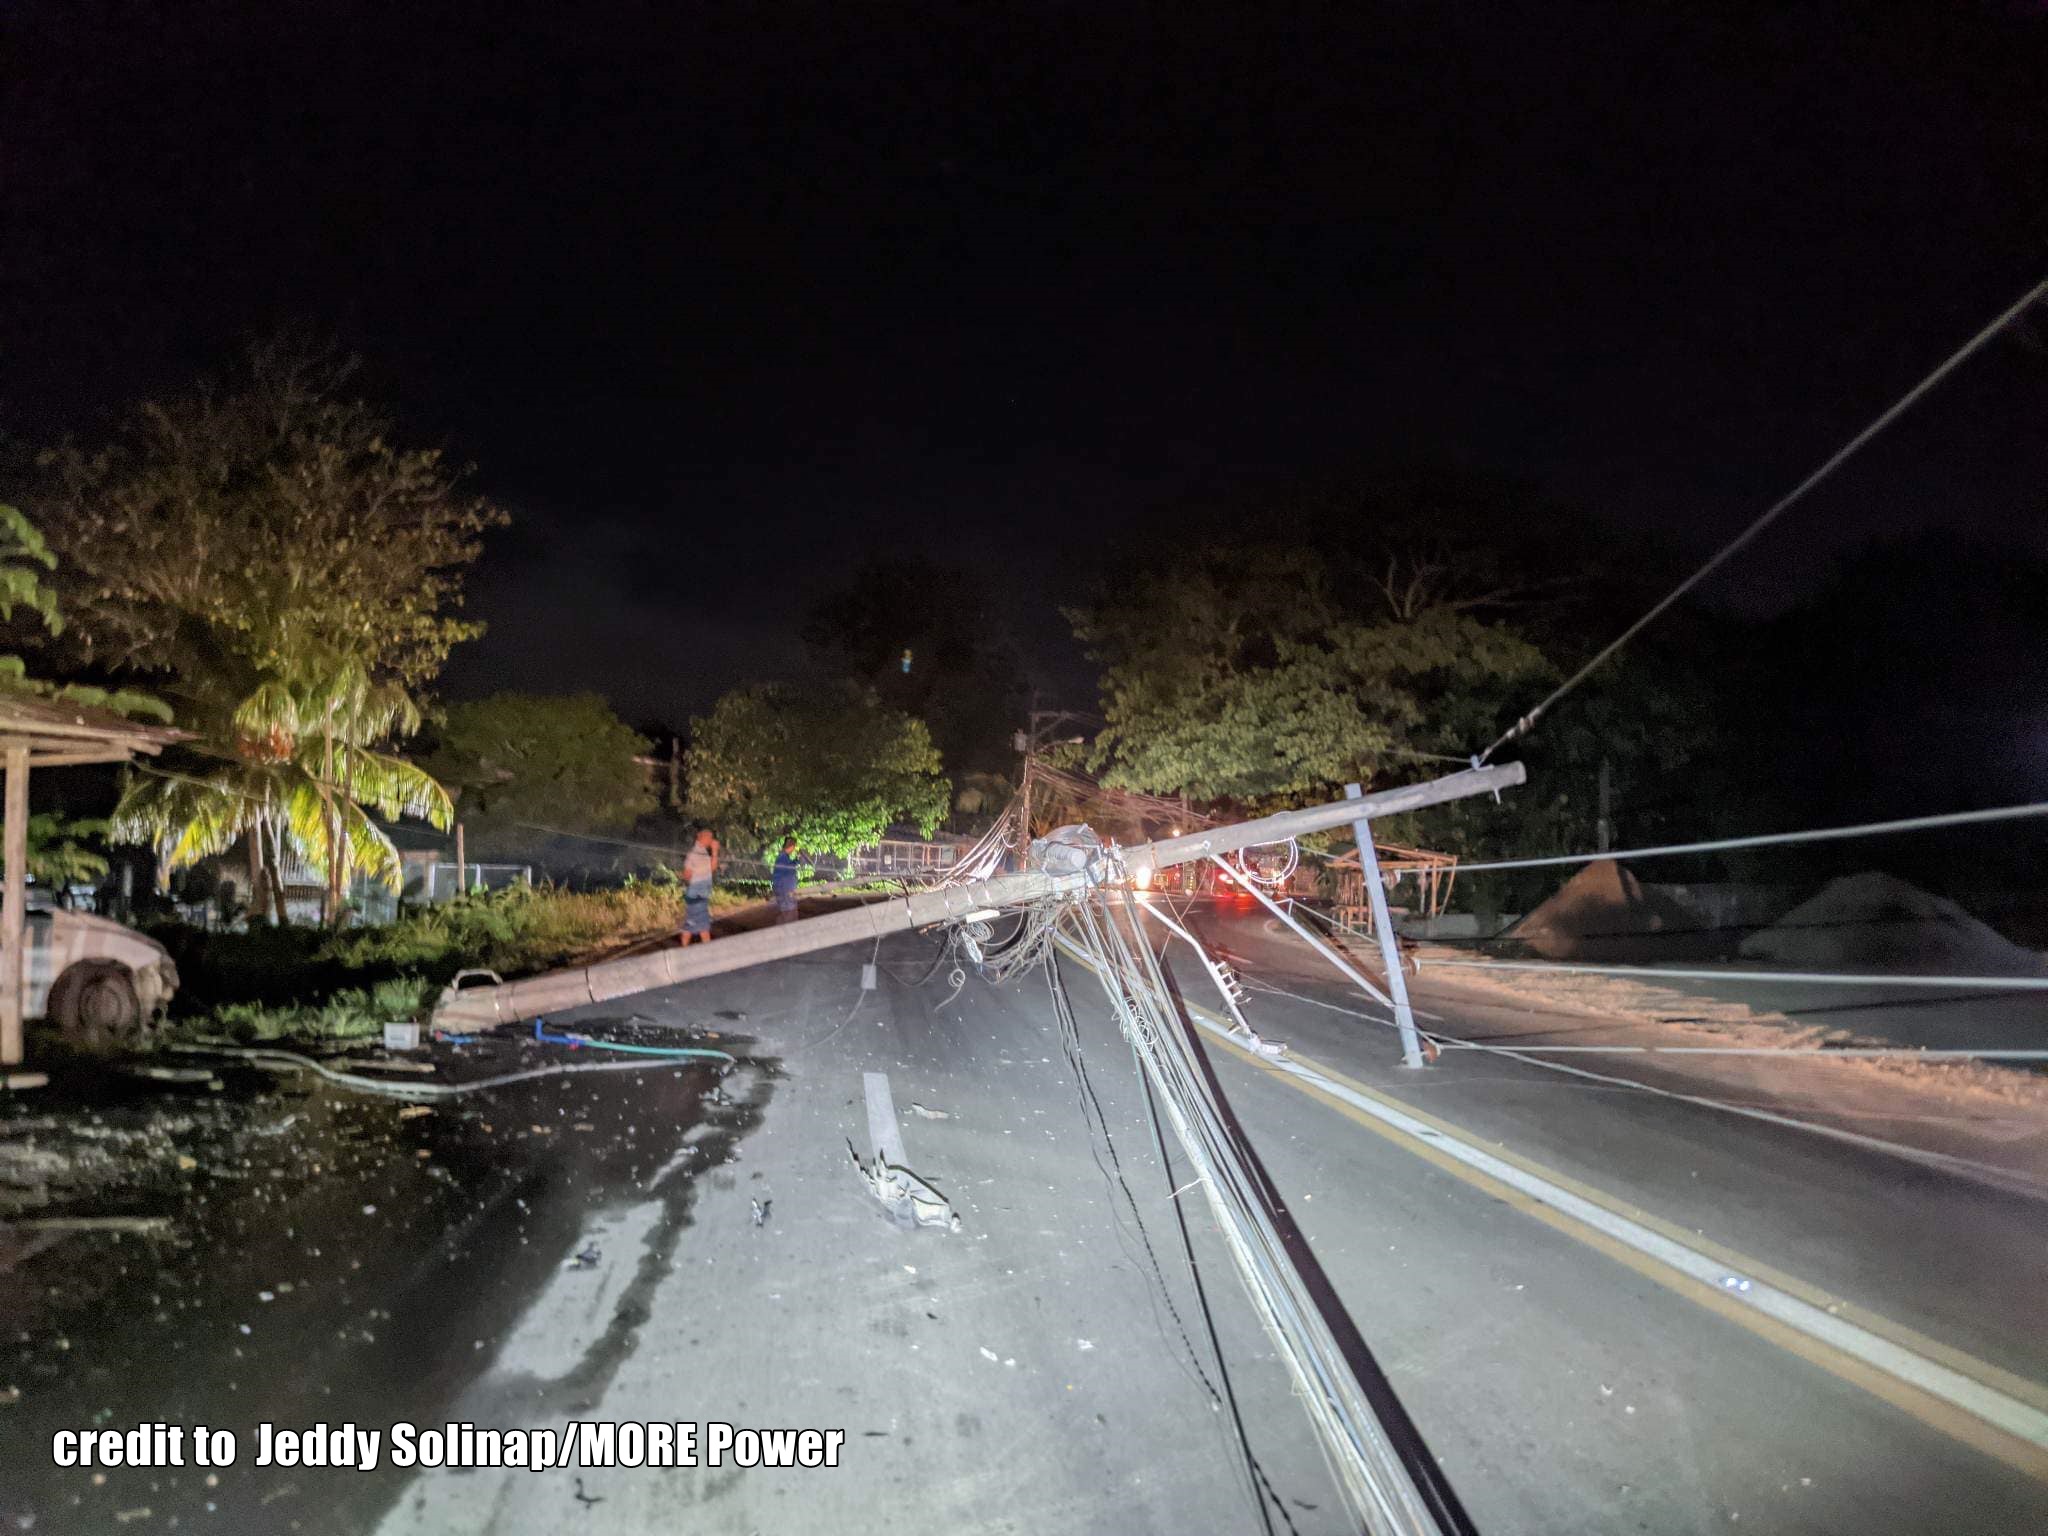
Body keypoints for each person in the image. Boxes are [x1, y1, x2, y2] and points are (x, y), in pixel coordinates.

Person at [679, 827, 719, 945]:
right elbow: (712, 868)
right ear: (701, 837)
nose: (711, 840)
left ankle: (685, 951)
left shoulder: (701, 852)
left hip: (697, 893)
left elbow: (687, 874)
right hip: (698, 894)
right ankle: (707, 953)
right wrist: (715, 851)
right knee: (702, 926)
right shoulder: (696, 853)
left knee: (692, 925)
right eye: (709, 837)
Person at [771, 836, 803, 924]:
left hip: (784, 890)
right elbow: (789, 869)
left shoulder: (783, 857)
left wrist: (796, 860)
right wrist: (797, 859)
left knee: (787, 913)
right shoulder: (782, 858)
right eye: (794, 846)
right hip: (785, 891)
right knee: (789, 915)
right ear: (791, 846)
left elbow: (789, 867)